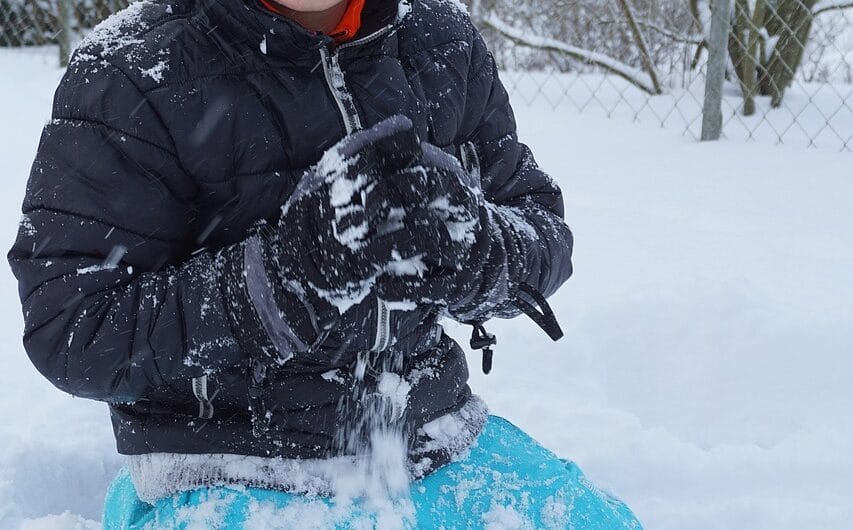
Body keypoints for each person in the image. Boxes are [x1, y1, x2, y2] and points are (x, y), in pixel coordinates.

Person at [8, 0, 643, 527]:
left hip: (435, 441)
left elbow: (541, 229)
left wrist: (476, 249)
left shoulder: (435, 40)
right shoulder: (132, 74)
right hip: (228, 473)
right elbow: (72, 328)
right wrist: (278, 282)